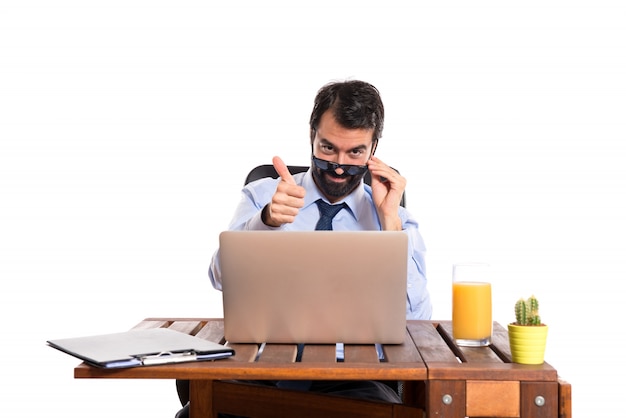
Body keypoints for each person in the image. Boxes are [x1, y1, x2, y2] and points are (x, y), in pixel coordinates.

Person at [175, 79, 432, 417]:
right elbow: (219, 276)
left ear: (373, 149)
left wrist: (389, 224)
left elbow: (417, 321)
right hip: (261, 368)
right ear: (312, 136)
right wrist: (265, 222)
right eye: (328, 148)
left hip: (353, 376)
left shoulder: (395, 218)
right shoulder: (263, 195)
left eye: (355, 152)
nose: (339, 165)